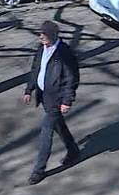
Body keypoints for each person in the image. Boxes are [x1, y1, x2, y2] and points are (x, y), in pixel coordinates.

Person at [22, 20, 80, 185]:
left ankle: (38, 170)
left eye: (44, 34)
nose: (41, 37)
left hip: (56, 99)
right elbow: (36, 70)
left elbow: (71, 79)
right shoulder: (42, 49)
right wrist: (29, 90)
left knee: (45, 134)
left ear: (54, 35)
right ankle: (73, 150)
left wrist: (67, 101)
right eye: (41, 34)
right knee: (59, 125)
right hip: (44, 97)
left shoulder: (65, 54)